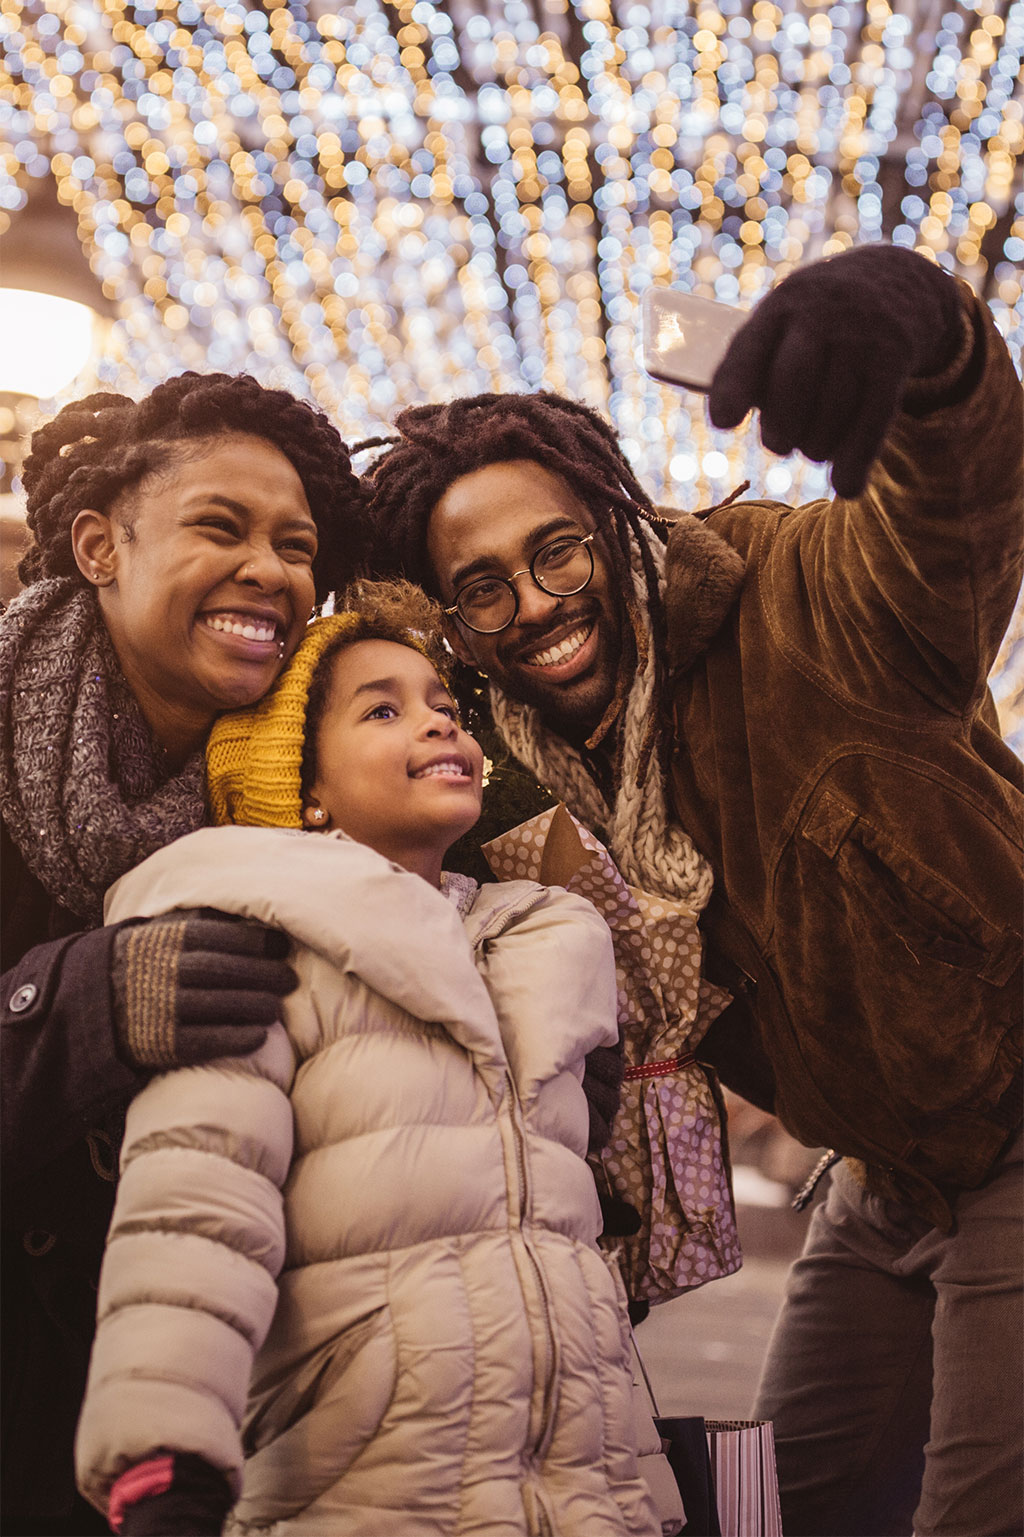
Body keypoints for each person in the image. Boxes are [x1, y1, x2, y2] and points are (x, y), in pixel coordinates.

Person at [362, 243, 1024, 1537]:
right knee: (796, 1505)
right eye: (483, 587)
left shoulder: (799, 599)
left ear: (615, 518)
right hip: (889, 1175)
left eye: (559, 550)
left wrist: (931, 339)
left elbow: (956, 507)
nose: (541, 605)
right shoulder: (514, 782)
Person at [74, 581, 662, 1537]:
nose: (437, 725)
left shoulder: (539, 945)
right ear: (304, 789)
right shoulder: (257, 946)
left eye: (444, 704)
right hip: (363, 1488)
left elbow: (566, 1254)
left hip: (574, 1495)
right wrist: (164, 1464)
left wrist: (645, 1488)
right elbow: (193, 1215)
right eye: (382, 710)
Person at [1, 372, 368, 1536]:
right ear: (100, 546)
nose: (271, 569)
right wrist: (76, 1004)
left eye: (296, 544)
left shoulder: (324, 771)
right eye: (222, 525)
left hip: (216, 1409)